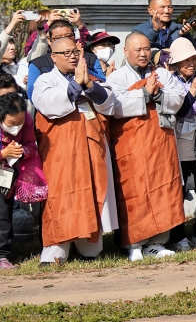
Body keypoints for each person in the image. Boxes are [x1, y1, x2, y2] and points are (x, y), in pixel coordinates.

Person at [31, 37, 118, 265]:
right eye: (65, 53)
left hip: (91, 149)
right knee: (61, 197)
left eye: (75, 52)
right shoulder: (45, 80)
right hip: (61, 153)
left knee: (92, 192)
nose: (72, 56)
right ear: (53, 57)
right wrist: (76, 86)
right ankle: (56, 250)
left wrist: (88, 85)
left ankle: (89, 246)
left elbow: (109, 103)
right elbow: (48, 105)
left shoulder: (91, 77)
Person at [106, 33, 187, 261]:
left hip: (161, 143)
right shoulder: (117, 77)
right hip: (130, 145)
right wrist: (144, 92)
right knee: (134, 192)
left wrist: (158, 92)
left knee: (163, 188)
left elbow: (178, 98)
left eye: (146, 49)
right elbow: (114, 106)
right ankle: (134, 243)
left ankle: (157, 243)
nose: (143, 54)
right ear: (126, 52)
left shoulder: (161, 73)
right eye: (137, 50)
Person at [166, 37, 196, 250]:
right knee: (177, 195)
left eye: (193, 59)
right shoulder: (170, 81)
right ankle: (177, 236)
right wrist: (193, 89)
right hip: (177, 148)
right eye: (185, 61)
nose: (191, 64)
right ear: (175, 63)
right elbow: (180, 111)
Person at [0, 93, 38, 268]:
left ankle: (2, 256)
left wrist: (22, 151)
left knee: (3, 215)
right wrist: (3, 153)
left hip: (7, 175)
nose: (16, 127)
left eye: (19, 123)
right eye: (11, 123)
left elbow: (31, 144)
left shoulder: (27, 120)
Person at [26, 19, 106, 100]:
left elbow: (104, 85)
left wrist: (81, 65)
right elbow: (33, 95)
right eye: (58, 38)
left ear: (74, 37)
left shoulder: (90, 58)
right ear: (49, 40)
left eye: (68, 37)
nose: (64, 41)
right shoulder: (37, 64)